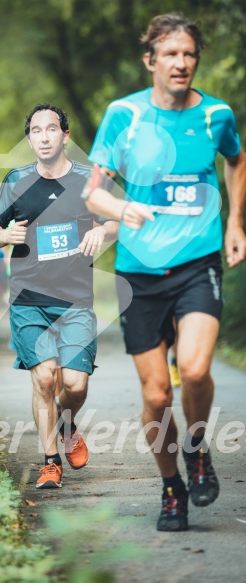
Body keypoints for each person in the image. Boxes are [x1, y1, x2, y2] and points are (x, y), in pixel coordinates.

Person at [83, 13, 246, 530]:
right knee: (157, 395)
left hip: (199, 261)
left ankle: (197, 447)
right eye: (170, 54)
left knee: (195, 370)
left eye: (189, 54)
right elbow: (93, 191)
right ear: (150, 61)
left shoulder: (216, 115)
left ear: (197, 60)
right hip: (139, 269)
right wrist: (119, 209)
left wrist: (235, 223)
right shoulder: (123, 115)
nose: (181, 63)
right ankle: (172, 487)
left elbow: (237, 161)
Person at [0, 104, 142, 489]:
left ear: (65, 135)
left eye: (50, 129)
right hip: (28, 300)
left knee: (74, 384)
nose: (43, 136)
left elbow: (121, 219)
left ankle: (66, 423)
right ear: (29, 138)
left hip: (75, 301)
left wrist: (101, 232)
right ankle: (50, 460)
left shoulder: (90, 181)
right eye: (35, 130)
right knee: (43, 378)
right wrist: (6, 236)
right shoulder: (17, 180)